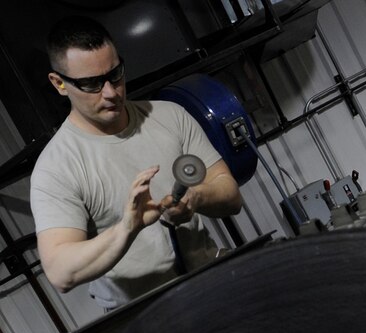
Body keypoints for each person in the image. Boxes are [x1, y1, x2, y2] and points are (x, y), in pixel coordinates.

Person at [30, 16, 243, 310]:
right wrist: (127, 228)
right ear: (59, 84)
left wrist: (196, 198)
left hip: (213, 289)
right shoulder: (57, 167)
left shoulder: (170, 117)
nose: (111, 92)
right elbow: (60, 271)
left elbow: (231, 195)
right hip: (145, 319)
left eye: (115, 74)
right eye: (91, 84)